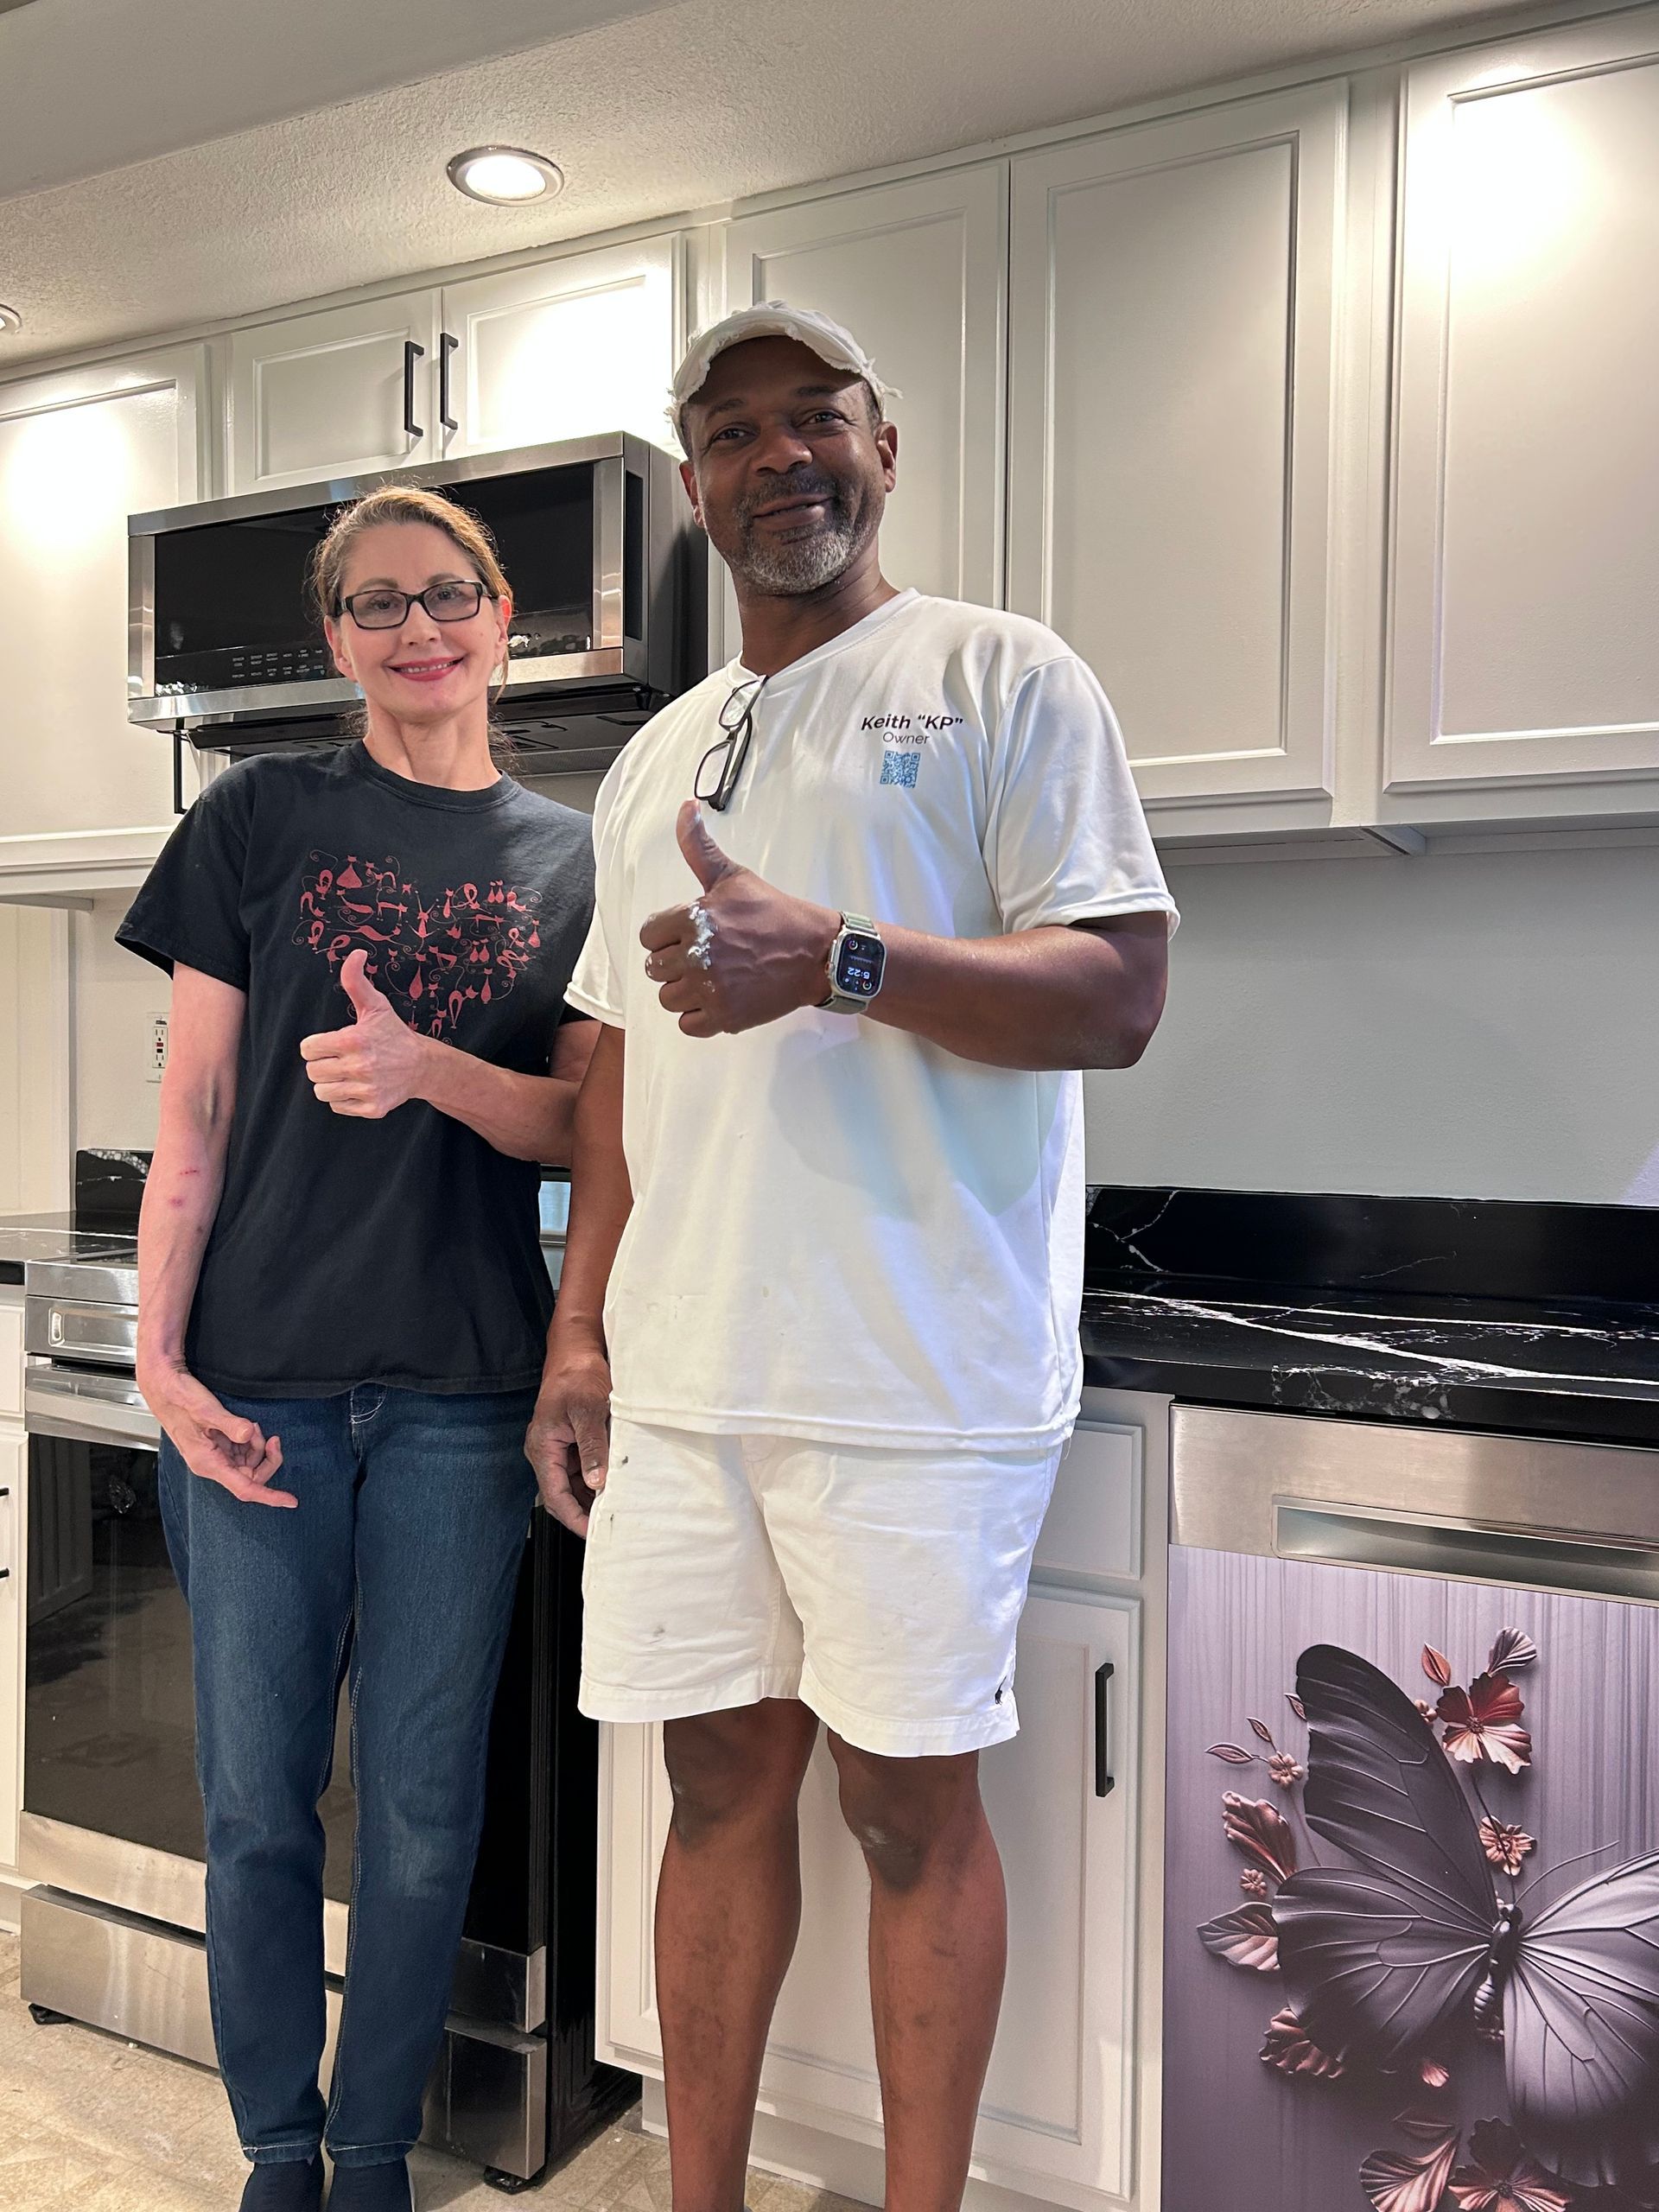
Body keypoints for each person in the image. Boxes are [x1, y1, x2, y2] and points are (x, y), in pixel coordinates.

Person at [526, 303, 1177, 2212]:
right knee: (714, 1786)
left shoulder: (1003, 679)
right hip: (688, 1363)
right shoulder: (653, 758)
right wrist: (580, 1333)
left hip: (916, 1372)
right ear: (694, 487)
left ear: (885, 444)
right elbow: (618, 1081)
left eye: (816, 415)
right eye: (733, 431)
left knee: (908, 1804)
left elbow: (1120, 994)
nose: (778, 454)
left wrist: (842, 957)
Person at [120, 484, 598, 2212]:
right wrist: (158, 1367)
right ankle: (277, 2150)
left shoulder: (570, 854)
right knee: (256, 1798)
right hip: (256, 1380)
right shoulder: (256, 818)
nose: (420, 626)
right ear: (337, 640)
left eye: (447, 591)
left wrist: (430, 1071)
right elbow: (193, 1114)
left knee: (418, 1807)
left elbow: (581, 1128)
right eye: (379, 603)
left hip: (467, 1393)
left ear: (501, 609)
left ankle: (375, 2150)